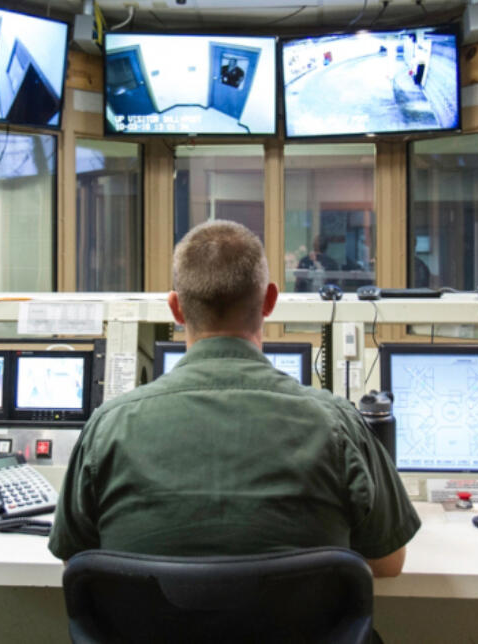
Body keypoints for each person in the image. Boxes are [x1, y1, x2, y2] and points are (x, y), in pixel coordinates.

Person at [49, 220, 419, 577]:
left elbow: (75, 561)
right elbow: (389, 562)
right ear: (270, 300)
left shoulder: (108, 427)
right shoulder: (337, 423)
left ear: (176, 309)